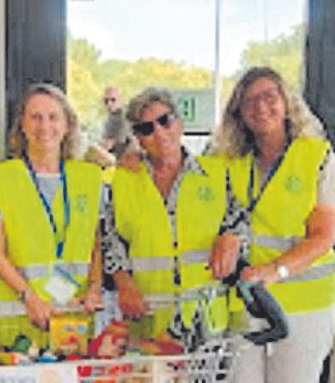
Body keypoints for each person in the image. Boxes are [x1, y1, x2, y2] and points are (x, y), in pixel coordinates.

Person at [213, 66, 335, 383]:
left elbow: (323, 235)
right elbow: (175, 168)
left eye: (270, 95)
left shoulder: (316, 155)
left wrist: (275, 270)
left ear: (287, 102)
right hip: (245, 306)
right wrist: (128, 153)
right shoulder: (227, 161)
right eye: (250, 99)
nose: (262, 105)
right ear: (239, 112)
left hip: (304, 308)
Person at [102, 87, 240, 346]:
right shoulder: (122, 180)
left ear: (180, 123)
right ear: (138, 139)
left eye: (165, 121)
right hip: (147, 318)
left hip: (203, 321)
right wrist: (124, 284)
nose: (159, 133)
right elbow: (111, 240)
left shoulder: (217, 174)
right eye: (146, 129)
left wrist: (232, 237)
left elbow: (240, 221)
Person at [0, 83, 104, 348]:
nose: (44, 126)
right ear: (22, 125)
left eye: (53, 117)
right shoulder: (0, 178)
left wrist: (95, 287)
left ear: (67, 124)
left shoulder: (90, 178)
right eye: (35, 117)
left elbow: (96, 243)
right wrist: (30, 297)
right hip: (17, 318)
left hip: (73, 315)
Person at [100, 86, 133, 160]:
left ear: (121, 100)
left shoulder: (125, 116)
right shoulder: (109, 118)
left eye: (113, 100)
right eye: (106, 101)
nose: (109, 104)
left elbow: (110, 143)